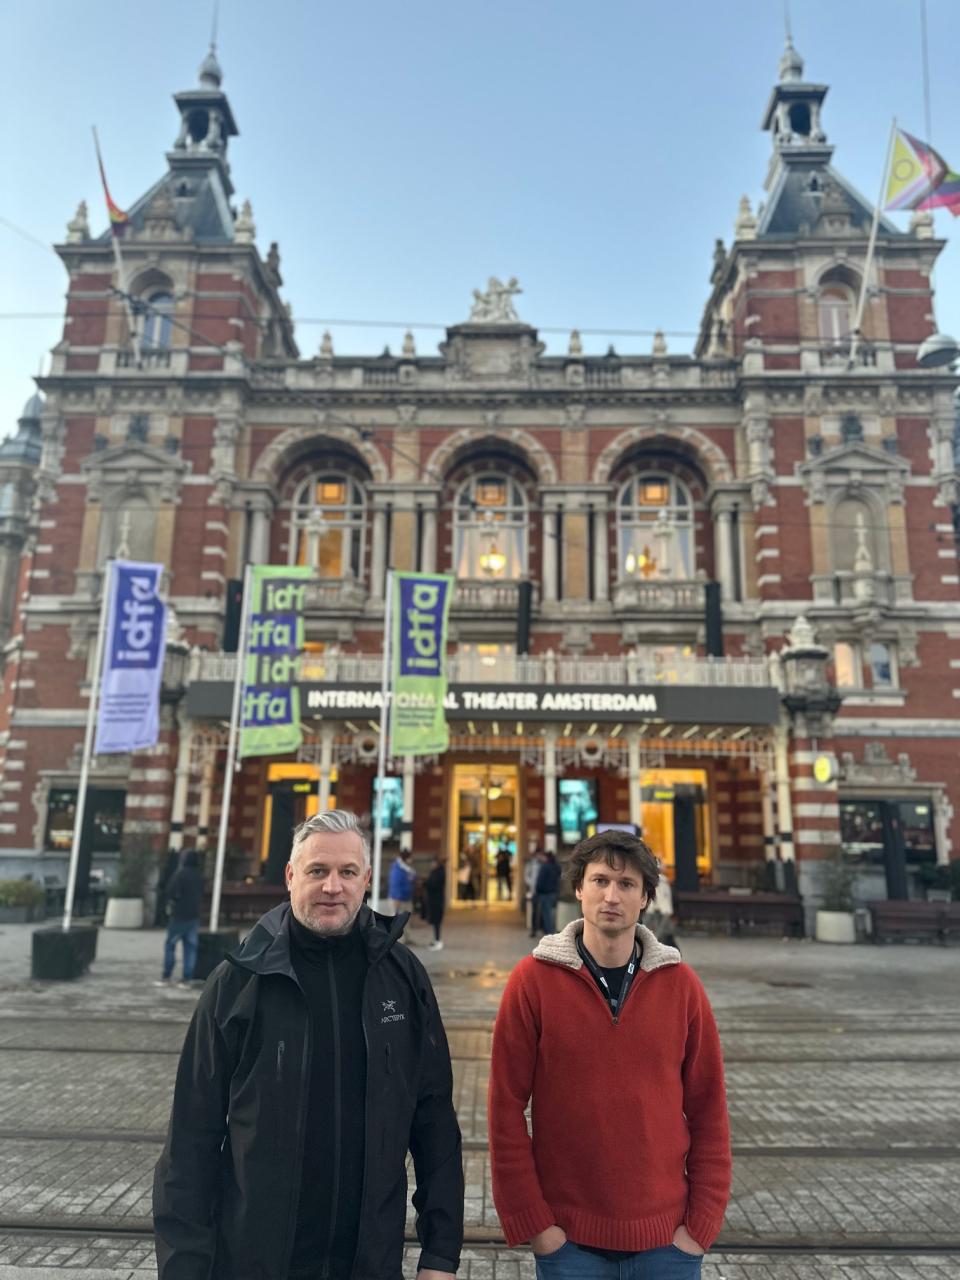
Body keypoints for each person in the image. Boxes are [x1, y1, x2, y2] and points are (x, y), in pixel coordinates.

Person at [154, 809, 464, 1280]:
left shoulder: (402, 978)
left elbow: (434, 1118)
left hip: (369, 1264)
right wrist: (185, 1268)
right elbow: (190, 1141)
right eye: (317, 871)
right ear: (291, 875)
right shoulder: (239, 982)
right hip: (255, 1264)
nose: (332, 887)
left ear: (366, 881)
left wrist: (440, 1255)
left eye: (347, 872)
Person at [488, 828, 731, 1279]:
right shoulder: (532, 982)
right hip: (568, 1242)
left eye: (627, 884)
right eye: (600, 881)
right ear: (579, 889)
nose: (611, 896)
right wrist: (536, 1224)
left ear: (645, 899)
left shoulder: (681, 986)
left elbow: (709, 1109)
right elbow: (504, 1108)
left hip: (668, 1244)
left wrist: (701, 1225)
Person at [154, 849, 203, 990]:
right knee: (190, 948)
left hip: (179, 915)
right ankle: (187, 978)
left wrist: (171, 904)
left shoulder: (180, 874)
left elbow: (171, 892)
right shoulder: (198, 876)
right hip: (193, 916)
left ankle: (166, 976)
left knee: (170, 946)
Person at [533, 850, 561, 935]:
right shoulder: (557, 867)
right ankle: (548, 930)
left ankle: (550, 932)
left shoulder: (545, 867)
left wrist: (537, 891)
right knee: (551, 913)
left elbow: (540, 882)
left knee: (546, 914)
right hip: (553, 893)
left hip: (544, 894)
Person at [424, 854, 447, 950]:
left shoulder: (439, 873)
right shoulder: (436, 872)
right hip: (433, 899)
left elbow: (434, 884)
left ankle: (438, 941)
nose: (431, 864)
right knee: (435, 921)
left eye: (433, 863)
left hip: (437, 900)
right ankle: (436, 939)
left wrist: (425, 883)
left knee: (437, 921)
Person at [524, 848, 545, 936]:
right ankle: (533, 930)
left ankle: (543, 928)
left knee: (543, 910)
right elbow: (526, 875)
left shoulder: (544, 863)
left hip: (543, 890)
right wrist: (531, 884)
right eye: (538, 854)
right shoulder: (531, 863)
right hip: (534, 890)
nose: (539, 856)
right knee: (534, 911)